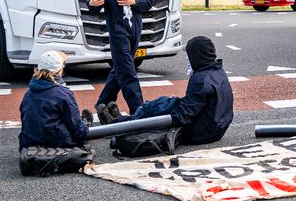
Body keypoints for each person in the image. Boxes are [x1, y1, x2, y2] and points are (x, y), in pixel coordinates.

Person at [96, 37, 235, 145]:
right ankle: (124, 120)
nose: (188, 60)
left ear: (197, 56)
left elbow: (182, 117)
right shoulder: (217, 71)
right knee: (165, 104)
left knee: (155, 108)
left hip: (201, 132)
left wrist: (162, 112)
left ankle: (117, 125)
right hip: (217, 128)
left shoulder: (200, 80)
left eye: (189, 56)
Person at [89, 0, 155, 117]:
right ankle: (138, 110)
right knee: (127, 71)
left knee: (121, 68)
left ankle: (103, 103)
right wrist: (92, 3)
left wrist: (134, 1)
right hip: (118, 31)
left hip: (135, 30)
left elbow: (150, 1)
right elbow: (95, 2)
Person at [18, 51, 90, 150]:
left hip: (28, 141)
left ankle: (84, 123)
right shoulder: (63, 94)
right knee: (79, 128)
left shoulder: (28, 93)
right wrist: (84, 132)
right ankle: (85, 124)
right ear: (60, 69)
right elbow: (74, 125)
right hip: (55, 141)